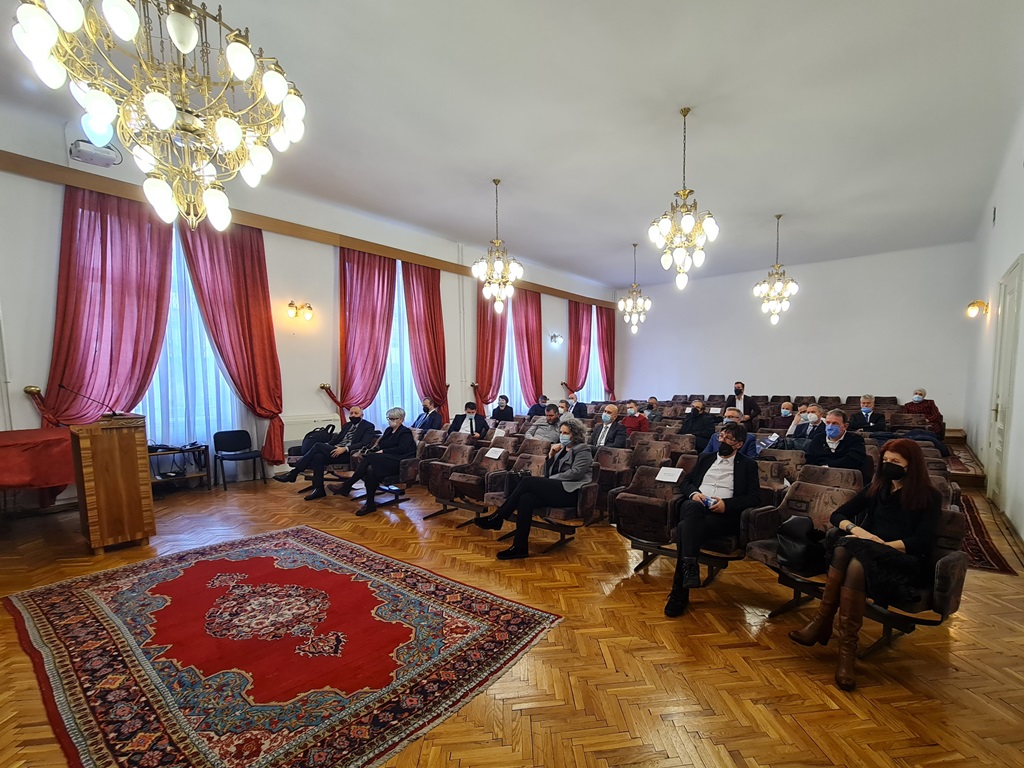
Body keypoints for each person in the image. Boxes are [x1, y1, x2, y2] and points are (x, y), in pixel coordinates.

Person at [788, 439, 940, 691]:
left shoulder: (929, 496)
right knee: (851, 554)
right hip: (867, 550)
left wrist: (883, 545)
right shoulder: (877, 487)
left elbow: (923, 541)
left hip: (903, 558)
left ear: (911, 465)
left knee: (851, 554)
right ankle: (843, 646)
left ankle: (824, 624)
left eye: (896, 462)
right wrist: (860, 532)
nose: (888, 465)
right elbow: (838, 515)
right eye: (886, 461)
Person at [664, 422, 761, 616]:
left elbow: (754, 498)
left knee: (684, 528)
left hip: (722, 517)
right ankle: (689, 570)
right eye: (721, 436)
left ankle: (680, 591)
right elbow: (686, 482)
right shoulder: (705, 458)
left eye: (728, 438)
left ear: (739, 444)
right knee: (692, 506)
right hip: (697, 509)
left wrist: (727, 504)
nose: (722, 441)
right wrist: (694, 494)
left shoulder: (748, 465)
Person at [473, 418, 593, 559]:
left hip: (570, 493)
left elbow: (575, 473)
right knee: (526, 499)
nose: (562, 435)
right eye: (561, 432)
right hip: (556, 489)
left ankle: (498, 517)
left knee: (528, 481)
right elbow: (547, 473)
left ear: (575, 434)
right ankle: (519, 547)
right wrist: (551, 455)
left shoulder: (583, 450)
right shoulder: (561, 449)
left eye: (566, 433)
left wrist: (550, 480)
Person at [274, 406, 376, 500]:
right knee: (318, 456)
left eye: (356, 413)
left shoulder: (368, 426)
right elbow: (337, 439)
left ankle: (294, 473)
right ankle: (319, 489)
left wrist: (345, 448)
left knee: (318, 445)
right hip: (335, 450)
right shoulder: (347, 425)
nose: (353, 415)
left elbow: (364, 443)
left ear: (362, 415)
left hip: (348, 454)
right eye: (351, 413)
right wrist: (327, 445)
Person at [331, 407, 417, 516]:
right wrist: (378, 449)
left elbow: (402, 449)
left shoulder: (405, 432)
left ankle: (347, 485)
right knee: (370, 469)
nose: (390, 420)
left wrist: (384, 451)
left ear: (401, 419)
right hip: (386, 458)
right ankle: (370, 504)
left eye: (393, 418)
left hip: (399, 461)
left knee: (370, 457)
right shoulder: (388, 430)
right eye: (389, 418)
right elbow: (382, 444)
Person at [805, 409, 869, 484]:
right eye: (828, 423)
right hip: (820, 478)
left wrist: (828, 467)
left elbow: (853, 460)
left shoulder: (855, 439)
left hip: (847, 479)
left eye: (835, 423)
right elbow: (810, 459)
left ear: (845, 426)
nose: (830, 426)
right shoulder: (818, 438)